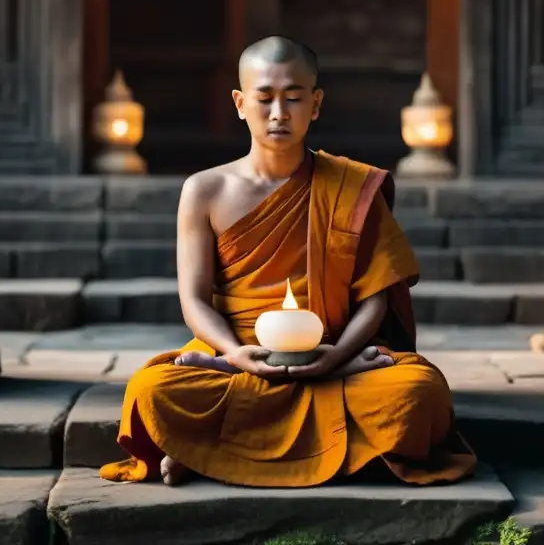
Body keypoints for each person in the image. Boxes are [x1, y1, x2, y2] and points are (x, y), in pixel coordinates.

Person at [100, 35, 477, 488]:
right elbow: (195, 301)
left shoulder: (352, 187)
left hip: (336, 355)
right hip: (238, 356)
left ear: (315, 104)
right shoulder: (204, 191)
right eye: (265, 98)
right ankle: (329, 456)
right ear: (240, 103)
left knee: (417, 393)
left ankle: (208, 453)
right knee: (152, 391)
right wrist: (236, 354)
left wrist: (337, 356)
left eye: (294, 98)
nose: (279, 113)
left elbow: (375, 299)